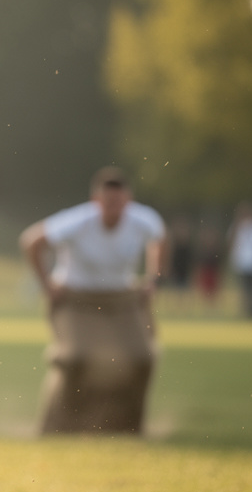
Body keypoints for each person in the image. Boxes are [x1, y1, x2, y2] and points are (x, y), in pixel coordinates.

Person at [19, 167, 165, 434]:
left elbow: (160, 239)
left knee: (142, 357)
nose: (114, 209)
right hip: (77, 297)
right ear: (96, 201)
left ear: (128, 200)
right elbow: (31, 241)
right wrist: (47, 285)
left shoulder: (143, 219)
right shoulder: (78, 221)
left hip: (122, 297)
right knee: (77, 358)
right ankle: (60, 425)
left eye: (119, 202)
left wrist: (153, 279)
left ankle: (127, 426)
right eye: (108, 203)